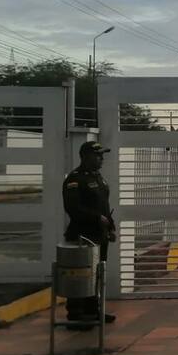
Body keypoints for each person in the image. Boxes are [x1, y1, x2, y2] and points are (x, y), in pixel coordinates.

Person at [62, 141, 117, 329]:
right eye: (98, 155)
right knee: (81, 274)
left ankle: (93, 310)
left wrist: (111, 227)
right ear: (85, 156)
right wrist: (96, 219)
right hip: (83, 235)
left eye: (102, 155)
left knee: (97, 274)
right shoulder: (75, 179)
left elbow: (104, 206)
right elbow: (73, 208)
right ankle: (76, 315)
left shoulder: (99, 178)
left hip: (99, 234)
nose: (101, 158)